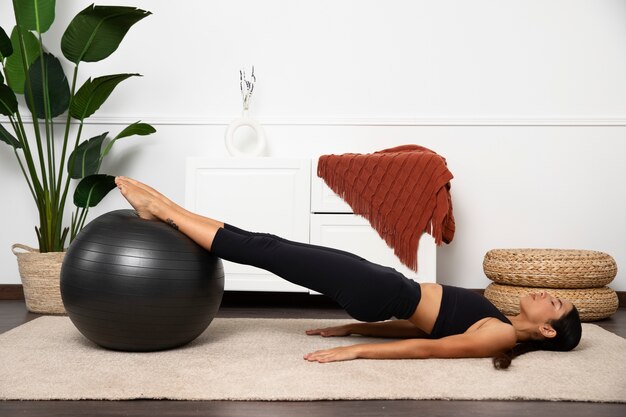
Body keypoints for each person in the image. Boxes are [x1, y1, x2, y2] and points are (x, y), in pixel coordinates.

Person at [114, 176, 582, 368]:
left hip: (378, 290)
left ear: (544, 328)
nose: (546, 294)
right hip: (381, 287)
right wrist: (353, 326)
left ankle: (164, 209)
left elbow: (430, 349)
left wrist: (357, 352)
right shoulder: (497, 318)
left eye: (555, 304)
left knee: (265, 250)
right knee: (268, 246)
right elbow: (424, 324)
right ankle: (168, 209)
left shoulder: (501, 336)